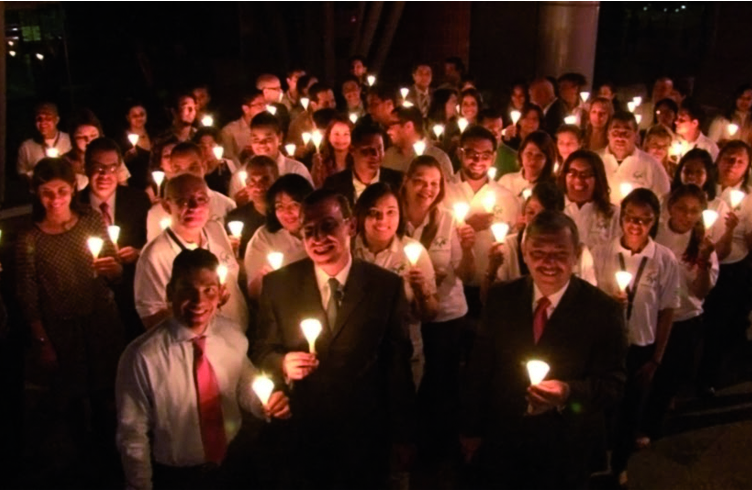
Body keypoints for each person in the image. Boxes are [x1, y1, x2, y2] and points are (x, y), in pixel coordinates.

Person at [251, 189, 416, 489]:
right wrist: (283, 364)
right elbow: (263, 350)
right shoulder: (278, 285)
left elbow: (397, 366)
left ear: (350, 226)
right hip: (302, 431)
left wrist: (402, 435)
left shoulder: (385, 287)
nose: (317, 238)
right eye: (308, 231)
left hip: (365, 432)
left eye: (328, 226)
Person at [461, 210, 627, 489]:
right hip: (505, 437)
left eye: (560, 253)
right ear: (524, 253)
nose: (548, 262)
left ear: (577, 255)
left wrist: (567, 392)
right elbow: (480, 368)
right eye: (538, 252)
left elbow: (614, 385)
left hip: (565, 444)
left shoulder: (602, 310)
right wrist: (470, 429)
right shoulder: (502, 298)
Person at [116, 248, 290, 490]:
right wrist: (140, 485)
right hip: (179, 476)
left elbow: (242, 381)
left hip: (232, 462)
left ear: (220, 293)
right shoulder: (142, 357)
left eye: (208, 290)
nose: (199, 301)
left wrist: (264, 401)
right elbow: (132, 434)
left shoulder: (230, 333)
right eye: (188, 290)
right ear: (169, 293)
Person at [16, 158, 125, 476]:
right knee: (74, 401)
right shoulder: (30, 238)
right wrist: (42, 340)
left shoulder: (90, 218)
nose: (55, 199)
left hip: (101, 322)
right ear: (36, 192)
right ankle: (84, 465)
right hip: (62, 331)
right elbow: (28, 294)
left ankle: (112, 459)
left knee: (108, 396)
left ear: (73, 188)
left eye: (62, 190)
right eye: (47, 192)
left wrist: (113, 269)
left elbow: (115, 269)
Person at [591, 188, 681, 485]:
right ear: (622, 217)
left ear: (654, 221)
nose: (636, 225)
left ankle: (620, 464)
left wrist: (657, 357)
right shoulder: (602, 252)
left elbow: (667, 309)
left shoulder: (663, 259)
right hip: (606, 345)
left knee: (631, 408)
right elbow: (590, 297)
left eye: (644, 220)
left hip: (641, 345)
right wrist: (610, 303)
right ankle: (595, 458)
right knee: (600, 404)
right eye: (630, 218)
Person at [401, 155, 476, 466]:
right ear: (406, 181)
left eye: (434, 183)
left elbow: (466, 273)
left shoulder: (448, 220)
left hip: (446, 313)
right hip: (407, 315)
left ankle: (439, 449)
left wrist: (469, 248)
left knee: (441, 381)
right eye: (420, 180)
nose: (427, 189)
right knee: (410, 379)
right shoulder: (393, 216)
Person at [647, 185, 718, 440]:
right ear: (670, 207)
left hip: (684, 319)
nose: (686, 216)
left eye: (693, 211)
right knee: (646, 371)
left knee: (668, 377)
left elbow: (701, 292)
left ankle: (650, 426)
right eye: (681, 209)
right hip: (652, 316)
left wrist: (705, 260)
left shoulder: (703, 243)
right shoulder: (656, 233)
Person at [136, 173, 249, 331]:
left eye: (201, 199)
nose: (194, 206)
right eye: (183, 200)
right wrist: (205, 306)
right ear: (167, 206)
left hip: (235, 338)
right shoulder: (155, 256)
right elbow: (150, 318)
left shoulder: (216, 230)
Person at [352, 183, 439, 387]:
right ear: (361, 215)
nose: (383, 220)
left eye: (391, 212)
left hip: (403, 354)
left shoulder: (413, 251)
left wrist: (422, 292)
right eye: (374, 213)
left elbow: (430, 314)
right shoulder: (348, 250)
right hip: (357, 356)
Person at [445, 125, 521, 319]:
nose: (478, 160)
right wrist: (467, 225)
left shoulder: (507, 197)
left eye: (486, 154)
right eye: (471, 153)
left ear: (494, 157)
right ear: (459, 153)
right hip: (452, 289)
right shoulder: (444, 191)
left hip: (492, 288)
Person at [79, 138, 151, 339]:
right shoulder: (74, 205)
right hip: (87, 303)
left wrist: (138, 253)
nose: (104, 175)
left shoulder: (138, 201)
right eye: (98, 167)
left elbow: (151, 244)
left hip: (130, 300)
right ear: (85, 168)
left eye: (111, 168)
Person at [697, 141, 752, 396]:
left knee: (719, 326)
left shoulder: (749, 200)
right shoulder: (705, 190)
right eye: (728, 159)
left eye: (740, 161)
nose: (733, 165)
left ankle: (708, 376)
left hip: (731, 270)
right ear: (718, 160)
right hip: (698, 263)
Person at [484, 181, 597, 292]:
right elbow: (491, 298)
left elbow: (589, 296)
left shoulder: (578, 252)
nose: (534, 221)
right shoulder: (509, 246)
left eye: (542, 215)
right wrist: (492, 268)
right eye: (530, 212)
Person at [146, 142, 236, 242]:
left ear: (204, 167)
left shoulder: (226, 205)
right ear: (171, 169)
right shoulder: (157, 214)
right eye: (178, 169)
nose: (186, 174)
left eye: (193, 168)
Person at [244, 174, 313, 299]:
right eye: (280, 206)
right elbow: (253, 292)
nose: (287, 212)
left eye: (294, 205)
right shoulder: (264, 237)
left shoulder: (320, 233)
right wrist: (267, 278)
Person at [228, 111, 312, 198]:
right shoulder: (240, 176)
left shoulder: (296, 170)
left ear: (280, 137)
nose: (261, 144)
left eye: (268, 139)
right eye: (256, 139)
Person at [322, 122, 403, 206]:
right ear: (352, 150)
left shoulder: (397, 182)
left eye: (379, 149)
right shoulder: (334, 185)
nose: (375, 155)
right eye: (368, 150)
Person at [600, 111, 671, 204]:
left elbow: (664, 200)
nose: (620, 137)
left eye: (626, 133)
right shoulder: (596, 160)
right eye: (616, 132)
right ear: (608, 133)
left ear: (636, 134)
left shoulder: (652, 165)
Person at [559, 149, 620, 250]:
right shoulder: (553, 210)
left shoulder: (613, 214)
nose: (578, 180)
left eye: (585, 174)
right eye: (572, 173)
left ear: (597, 179)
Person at [225, 155, 278, 258]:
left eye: (265, 179)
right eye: (252, 180)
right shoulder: (235, 219)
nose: (258, 186)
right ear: (246, 183)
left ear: (277, 181)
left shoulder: (286, 217)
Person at [384, 106, 454, 178]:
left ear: (409, 126)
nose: (388, 131)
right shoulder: (389, 156)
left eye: (392, 124)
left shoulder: (439, 158)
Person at [17, 102, 73, 178]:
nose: (43, 123)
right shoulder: (26, 147)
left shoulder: (69, 141)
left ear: (56, 120)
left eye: (48, 119)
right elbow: (21, 174)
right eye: (39, 119)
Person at [499, 130, 558, 201]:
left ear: (547, 160)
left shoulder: (551, 190)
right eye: (529, 154)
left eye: (539, 156)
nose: (533, 160)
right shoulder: (507, 181)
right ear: (521, 154)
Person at [220, 90, 267, 164]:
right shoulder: (230, 131)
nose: (264, 109)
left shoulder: (269, 128)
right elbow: (228, 160)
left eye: (264, 105)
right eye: (259, 105)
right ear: (246, 109)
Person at [287, 82, 337, 150]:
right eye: (325, 103)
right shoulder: (300, 125)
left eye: (333, 101)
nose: (331, 106)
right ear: (314, 105)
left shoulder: (340, 120)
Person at [310, 115, 353, 188]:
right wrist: (316, 169)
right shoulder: (322, 162)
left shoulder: (358, 161)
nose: (341, 139)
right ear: (328, 136)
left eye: (346, 134)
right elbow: (316, 187)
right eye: (336, 134)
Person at [194, 127, 236, 195]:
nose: (207, 150)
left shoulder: (228, 165)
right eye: (202, 146)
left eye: (212, 145)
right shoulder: (194, 169)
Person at [122, 101, 153, 192]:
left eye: (142, 114)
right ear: (128, 118)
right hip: (134, 186)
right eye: (135, 116)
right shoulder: (122, 139)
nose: (139, 118)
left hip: (154, 184)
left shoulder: (154, 135)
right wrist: (126, 159)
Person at [479, 108, 519, 178]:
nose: (496, 134)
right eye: (491, 129)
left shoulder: (513, 158)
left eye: (499, 129)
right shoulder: (470, 155)